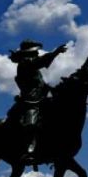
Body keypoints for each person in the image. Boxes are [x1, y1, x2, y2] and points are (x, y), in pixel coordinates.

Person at [8, 39, 67, 167]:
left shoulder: (32, 67)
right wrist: (56, 52)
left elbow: (40, 83)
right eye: (35, 52)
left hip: (41, 96)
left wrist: (52, 89)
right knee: (31, 120)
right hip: (31, 98)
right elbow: (40, 62)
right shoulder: (26, 64)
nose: (37, 54)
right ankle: (30, 149)